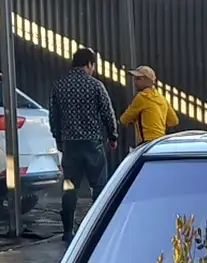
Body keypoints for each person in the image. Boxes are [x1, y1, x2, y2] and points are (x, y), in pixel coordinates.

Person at [48, 47, 117, 239]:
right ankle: (97, 228)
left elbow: (53, 117)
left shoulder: (59, 86)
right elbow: (107, 113)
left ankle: (68, 231)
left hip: (70, 145)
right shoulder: (95, 86)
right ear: (89, 64)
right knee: (99, 186)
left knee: (70, 187)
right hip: (93, 144)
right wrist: (113, 136)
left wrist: (59, 140)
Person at [120, 65, 180, 148]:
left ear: (147, 80)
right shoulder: (162, 98)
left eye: (138, 79)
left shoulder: (141, 97)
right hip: (160, 142)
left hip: (146, 143)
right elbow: (174, 121)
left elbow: (124, 119)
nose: (135, 82)